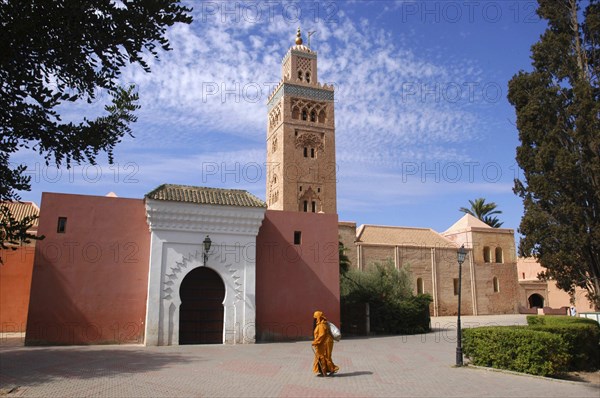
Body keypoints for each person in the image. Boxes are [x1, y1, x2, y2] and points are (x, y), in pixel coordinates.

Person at [312, 310, 339, 376]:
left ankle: (330, 370)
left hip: (325, 343)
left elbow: (322, 335)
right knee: (323, 356)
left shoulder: (321, 325)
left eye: (315, 317)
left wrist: (315, 342)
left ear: (318, 317)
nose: (314, 319)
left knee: (324, 356)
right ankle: (323, 371)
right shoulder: (323, 323)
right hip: (324, 342)